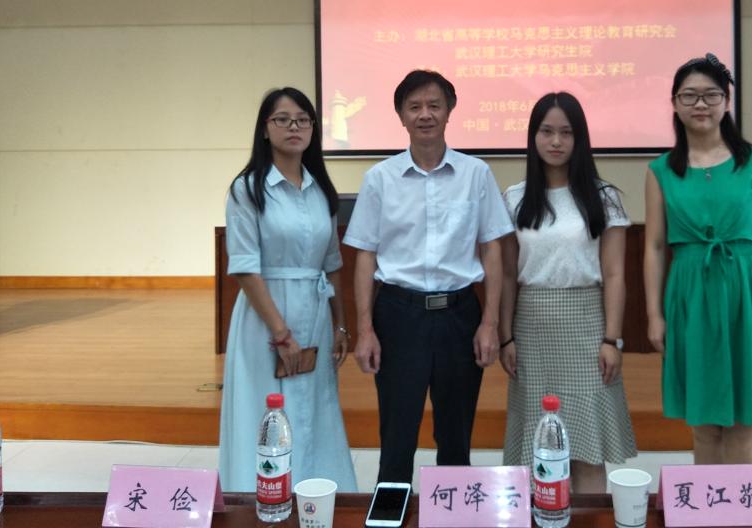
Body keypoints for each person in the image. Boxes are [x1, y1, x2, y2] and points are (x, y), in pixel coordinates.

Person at [344, 69, 513, 484]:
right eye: (415, 106)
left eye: (434, 105)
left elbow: (492, 249)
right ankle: (392, 509)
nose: (425, 114)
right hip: (398, 314)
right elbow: (365, 256)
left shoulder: (476, 173)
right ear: (401, 115)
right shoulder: (380, 179)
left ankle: (454, 509)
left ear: (449, 111)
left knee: (456, 435)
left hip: (459, 313)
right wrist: (364, 330)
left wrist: (489, 323)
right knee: (397, 432)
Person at [643, 54, 752, 464]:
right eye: (689, 95)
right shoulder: (661, 171)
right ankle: (709, 502)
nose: (700, 104)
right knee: (704, 425)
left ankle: (743, 502)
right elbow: (655, 247)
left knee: (747, 422)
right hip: (690, 295)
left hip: (747, 292)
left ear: (726, 102)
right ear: (674, 103)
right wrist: (654, 314)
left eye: (711, 95)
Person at [219, 87, 357, 492]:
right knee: (263, 410)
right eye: (282, 119)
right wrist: (281, 334)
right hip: (265, 317)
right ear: (265, 129)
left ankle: (316, 495)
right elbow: (245, 268)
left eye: (302, 119)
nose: (293, 127)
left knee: (314, 409)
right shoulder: (247, 189)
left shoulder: (320, 190)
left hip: (314, 314)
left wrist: (341, 324)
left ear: (313, 128)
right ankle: (260, 499)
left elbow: (332, 263)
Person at [500, 92, 637, 493]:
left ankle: (589, 519)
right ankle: (544, 516)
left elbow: (615, 274)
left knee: (587, 448)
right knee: (537, 447)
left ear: (580, 138)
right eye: (546, 132)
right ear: (533, 137)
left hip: (587, 325)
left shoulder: (604, 197)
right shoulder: (515, 197)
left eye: (566, 132)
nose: (556, 141)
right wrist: (505, 336)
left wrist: (612, 339)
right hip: (531, 326)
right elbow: (506, 274)